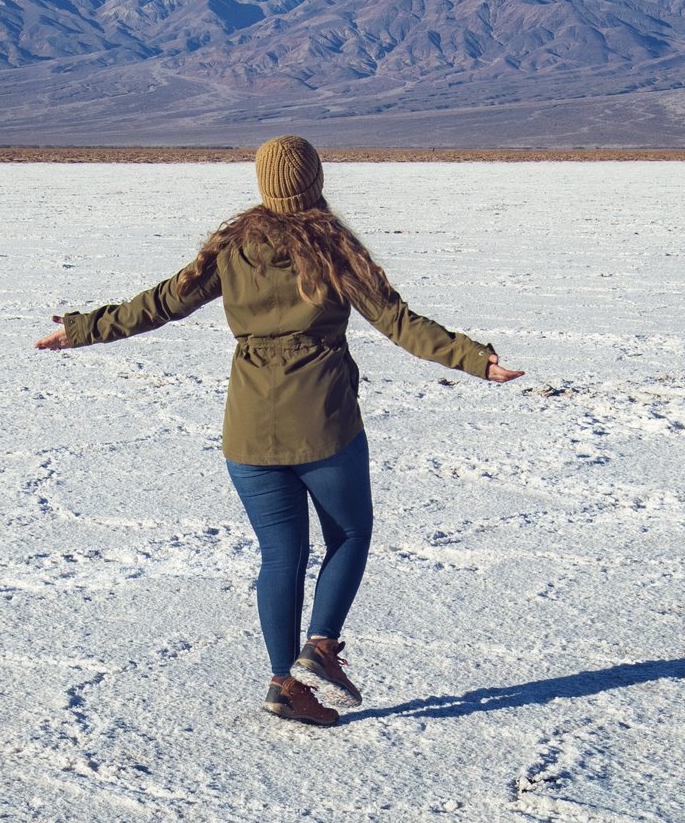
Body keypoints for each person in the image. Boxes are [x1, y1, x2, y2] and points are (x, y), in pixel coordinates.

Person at [34, 135, 525, 727]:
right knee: (349, 534)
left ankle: (283, 687)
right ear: (314, 181)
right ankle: (319, 647)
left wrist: (83, 328)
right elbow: (397, 321)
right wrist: (474, 359)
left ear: (264, 184)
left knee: (281, 555)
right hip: (323, 425)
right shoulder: (333, 250)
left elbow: (160, 304)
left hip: (247, 428)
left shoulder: (231, 248)